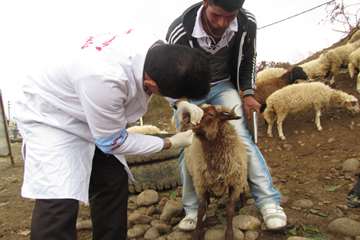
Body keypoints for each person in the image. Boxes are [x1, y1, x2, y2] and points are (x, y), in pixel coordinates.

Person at [13, 29, 212, 240]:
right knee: (58, 201)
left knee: (112, 178)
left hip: (90, 106)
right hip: (52, 116)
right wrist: (168, 143)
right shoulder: (105, 79)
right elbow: (112, 142)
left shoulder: (155, 50)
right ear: (152, 85)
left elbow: (166, 74)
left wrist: (180, 103)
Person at [166, 0, 287, 231]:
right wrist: (180, 104)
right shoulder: (180, 30)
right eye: (216, 16)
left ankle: (269, 202)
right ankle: (192, 209)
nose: (222, 23)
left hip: (223, 86)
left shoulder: (246, 22)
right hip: (191, 93)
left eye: (229, 17)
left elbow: (249, 57)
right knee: (186, 142)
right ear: (206, 2)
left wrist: (248, 92)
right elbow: (172, 73)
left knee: (240, 135)